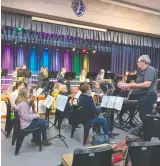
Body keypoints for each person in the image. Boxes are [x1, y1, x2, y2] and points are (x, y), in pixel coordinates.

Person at [118, 55, 158, 137]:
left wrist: (129, 85)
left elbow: (147, 84)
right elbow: (139, 85)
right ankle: (144, 135)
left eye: (138, 62)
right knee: (143, 117)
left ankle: (146, 137)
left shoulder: (150, 70)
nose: (137, 63)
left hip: (148, 96)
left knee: (145, 117)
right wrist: (126, 85)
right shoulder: (143, 72)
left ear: (144, 62)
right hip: (143, 96)